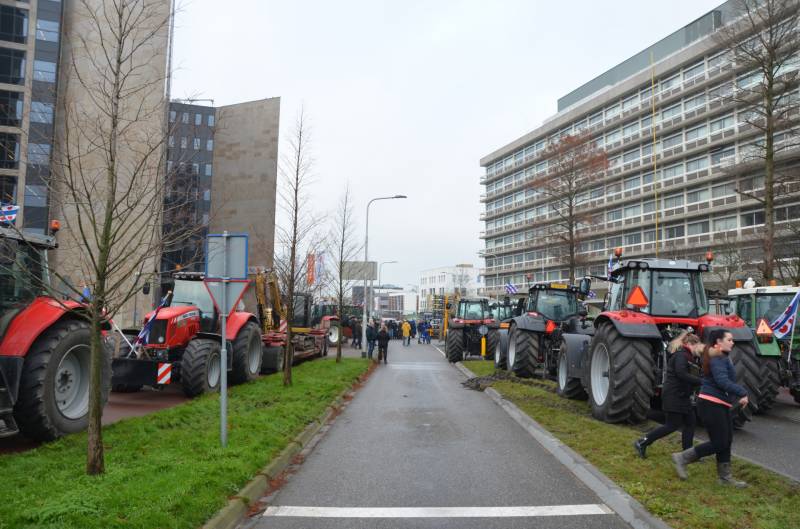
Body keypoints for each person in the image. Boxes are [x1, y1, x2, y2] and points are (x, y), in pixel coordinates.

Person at [672, 329, 749, 487]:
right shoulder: (718, 358)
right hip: (710, 404)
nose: (732, 342)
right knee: (719, 442)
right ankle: (682, 458)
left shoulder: (720, 356)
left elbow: (722, 382)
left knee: (726, 440)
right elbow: (722, 381)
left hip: (719, 403)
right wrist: (742, 393)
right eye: (729, 339)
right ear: (718, 342)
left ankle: (725, 478)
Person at [634, 331, 703, 458]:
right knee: (671, 425)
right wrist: (700, 381)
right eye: (698, 346)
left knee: (690, 422)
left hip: (682, 396)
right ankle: (642, 441)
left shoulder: (688, 356)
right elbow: (681, 374)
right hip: (674, 395)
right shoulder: (681, 356)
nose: (700, 350)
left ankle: (688, 454)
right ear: (690, 344)